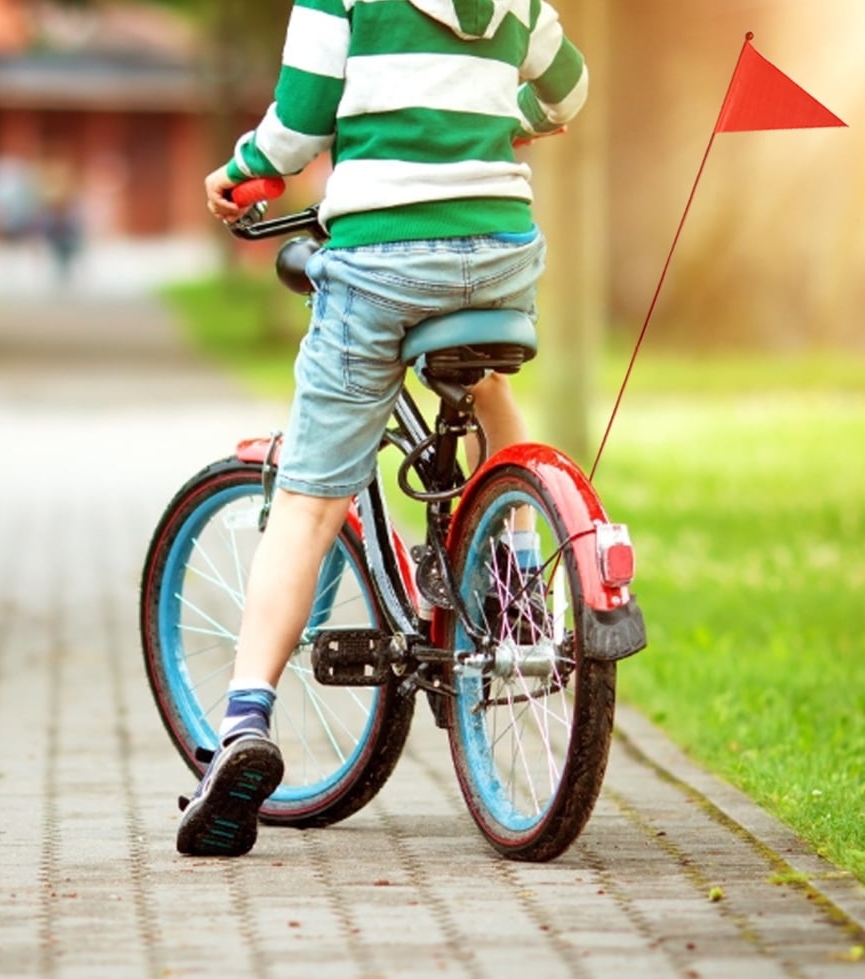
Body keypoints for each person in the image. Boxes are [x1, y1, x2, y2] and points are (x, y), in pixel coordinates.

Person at [176, 0, 588, 857]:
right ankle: (515, 574)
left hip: (382, 261)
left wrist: (242, 173)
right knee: (480, 390)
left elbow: (297, 125)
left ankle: (245, 720)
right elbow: (566, 95)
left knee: (309, 501)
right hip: (501, 251)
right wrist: (476, 132)